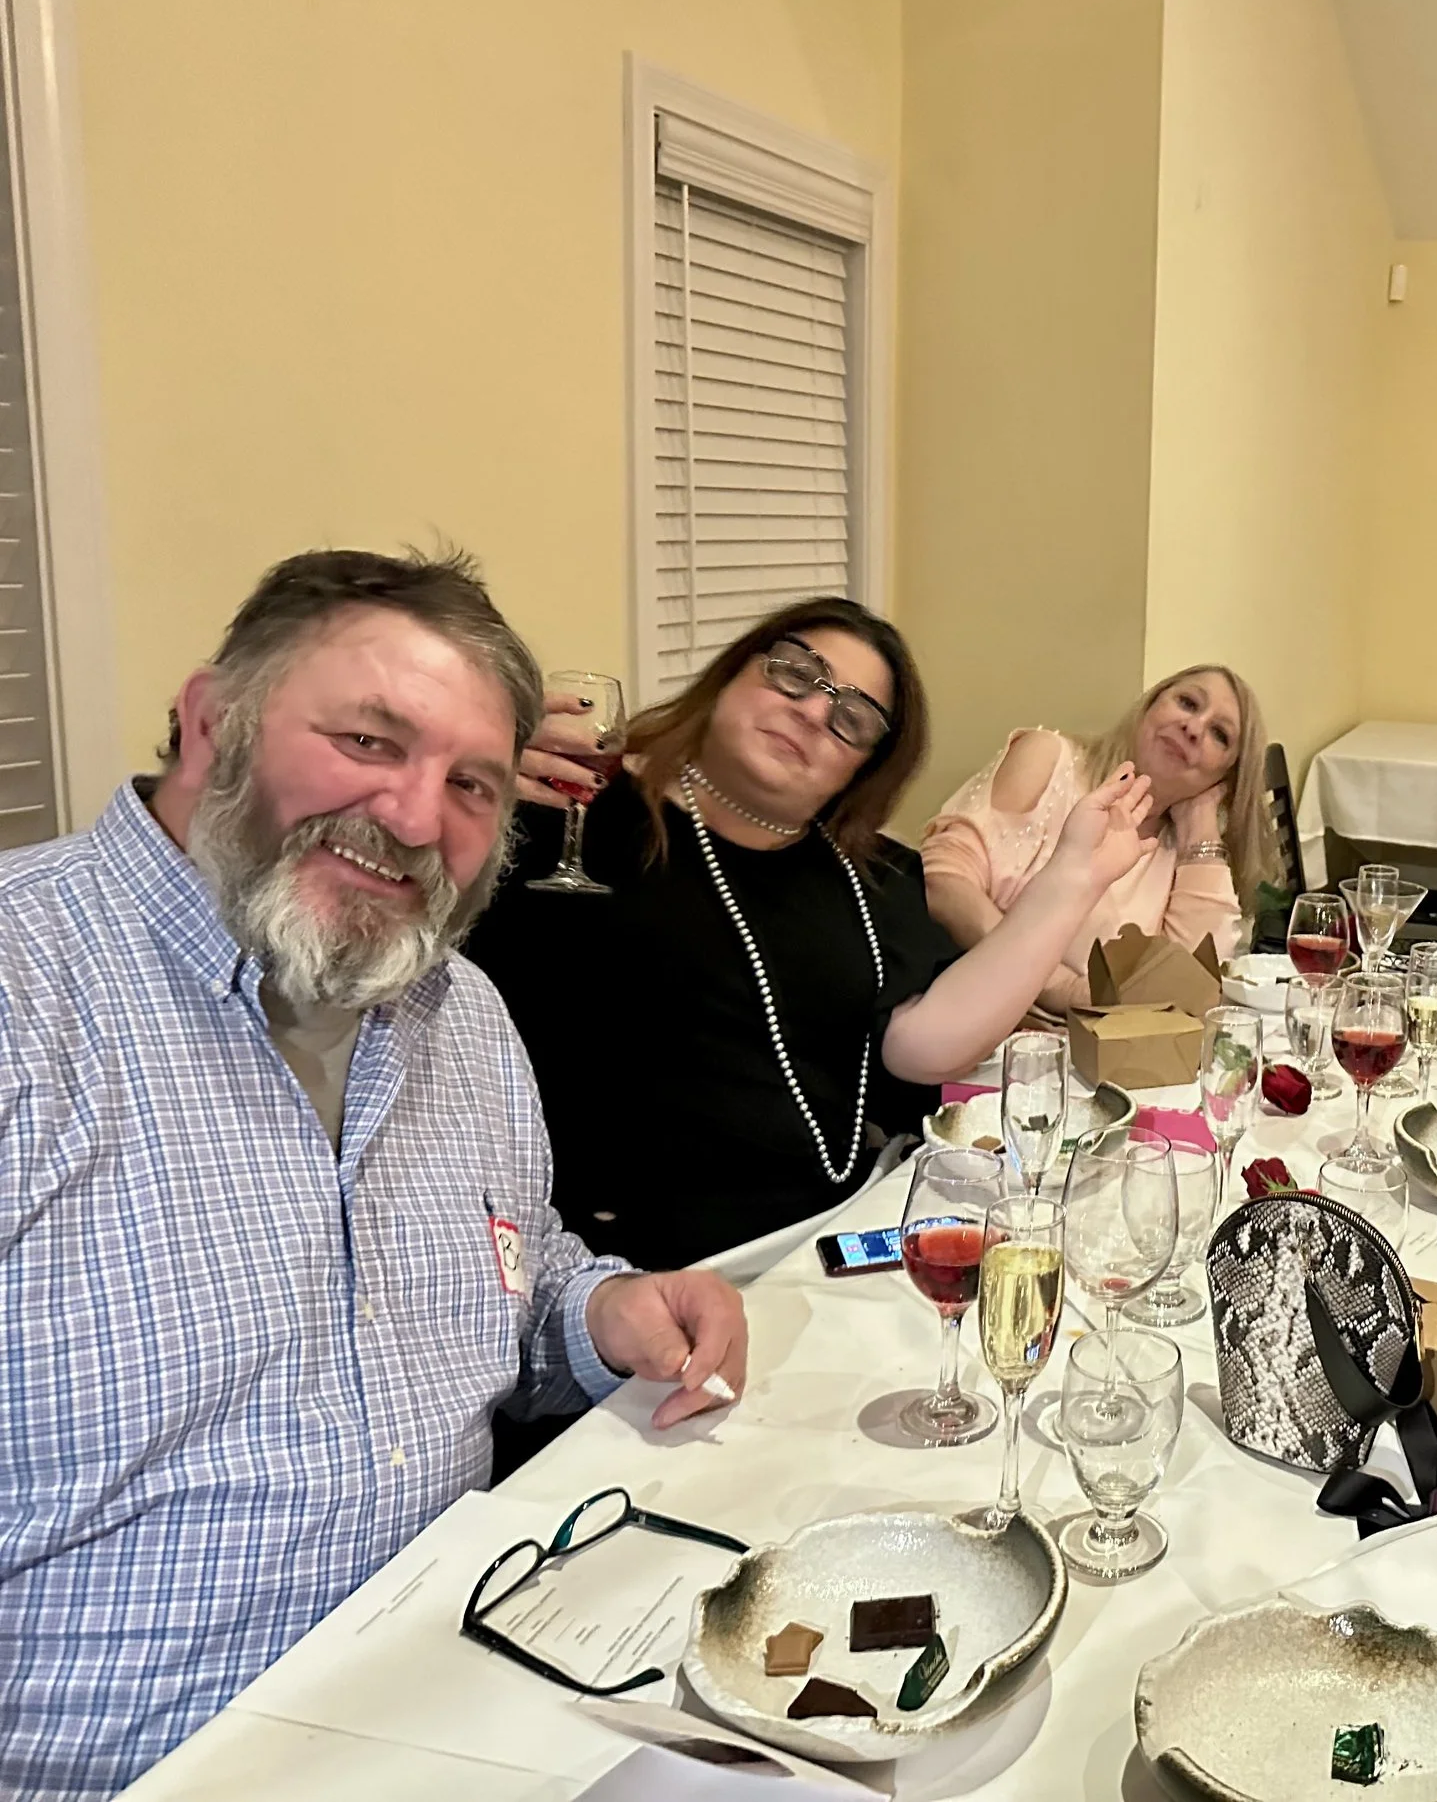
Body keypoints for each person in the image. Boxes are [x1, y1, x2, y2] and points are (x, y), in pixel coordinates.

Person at [0, 550, 747, 1800]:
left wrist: (600, 1310)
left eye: (471, 784)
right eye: (366, 741)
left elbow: (513, 1267)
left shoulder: (460, 1010)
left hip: (476, 1692)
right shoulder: (22, 992)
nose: (411, 819)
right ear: (211, 722)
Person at [465, 599, 1158, 1270]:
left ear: (865, 766)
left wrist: (1075, 878)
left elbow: (923, 1046)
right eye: (796, 673)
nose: (814, 710)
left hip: (824, 1244)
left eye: (852, 718)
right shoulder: (567, 807)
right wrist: (466, 772)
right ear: (735, 669)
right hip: (607, 1266)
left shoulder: (872, 876)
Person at [922, 666, 1280, 1016]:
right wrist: (1058, 986)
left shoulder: (1182, 851)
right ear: (1150, 705)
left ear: (1226, 778)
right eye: (1187, 703)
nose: (1194, 728)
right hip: (969, 1026)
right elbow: (942, 880)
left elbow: (1186, 995)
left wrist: (1201, 832)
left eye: (1220, 734)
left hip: (1095, 1052)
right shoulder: (1048, 761)